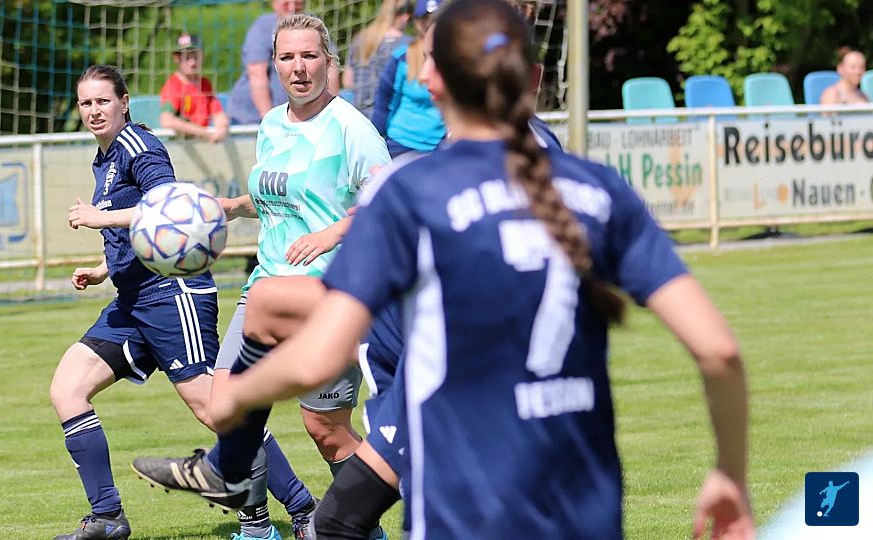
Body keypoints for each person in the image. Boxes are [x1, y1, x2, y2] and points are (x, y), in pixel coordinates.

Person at [207, 2, 754, 539]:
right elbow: (720, 351)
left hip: (465, 506)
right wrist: (729, 472)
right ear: (533, 79)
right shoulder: (600, 190)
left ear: (433, 83)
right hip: (583, 507)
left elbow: (320, 354)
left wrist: (238, 395)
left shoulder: (411, 193)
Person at [132, 13, 392, 540]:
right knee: (226, 405)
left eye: (309, 56)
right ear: (274, 64)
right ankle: (257, 530)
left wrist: (332, 233)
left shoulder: (351, 129)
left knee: (325, 430)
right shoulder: (272, 124)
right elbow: (279, 192)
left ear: (328, 61)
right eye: (287, 57)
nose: (299, 68)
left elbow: (387, 204)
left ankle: (366, 530)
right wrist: (234, 206)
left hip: (325, 297)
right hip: (264, 289)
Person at [52, 65, 315, 540]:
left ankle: (303, 509)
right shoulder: (104, 156)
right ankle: (108, 517)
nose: (94, 111)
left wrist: (99, 218)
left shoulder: (139, 146)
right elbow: (149, 236)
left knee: (220, 411)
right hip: (132, 299)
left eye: (103, 101)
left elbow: (169, 209)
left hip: (172, 296)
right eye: (86, 103)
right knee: (67, 388)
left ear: (124, 102)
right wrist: (105, 268)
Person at [226, 0, 340, 125]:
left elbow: (331, 69)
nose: (292, 8)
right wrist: (270, 121)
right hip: (252, 119)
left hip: (299, 117)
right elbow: (257, 74)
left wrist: (329, 113)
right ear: (274, 3)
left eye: (297, 4)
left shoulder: (313, 26)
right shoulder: (263, 27)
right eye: (286, 4)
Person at [370, 0, 446, 157]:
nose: (431, 24)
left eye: (438, 18)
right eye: (426, 19)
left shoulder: (457, 60)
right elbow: (384, 104)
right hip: (400, 144)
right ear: (417, 23)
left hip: (438, 148)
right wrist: (374, 144)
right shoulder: (401, 58)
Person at [342, 0, 413, 118]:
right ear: (405, 15)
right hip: (388, 116)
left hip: (358, 114)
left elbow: (348, 82)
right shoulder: (408, 45)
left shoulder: (360, 38)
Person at [159, 33, 230, 142]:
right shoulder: (173, 86)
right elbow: (167, 121)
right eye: (187, 58)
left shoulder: (205, 84)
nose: (192, 62)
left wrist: (222, 128)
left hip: (203, 143)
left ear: (203, 56)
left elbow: (218, 114)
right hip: (181, 144)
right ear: (176, 58)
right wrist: (202, 133)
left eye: (196, 57)